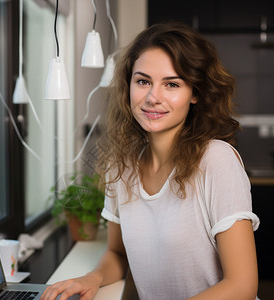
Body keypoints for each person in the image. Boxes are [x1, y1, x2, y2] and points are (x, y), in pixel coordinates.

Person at [41, 22, 260, 300]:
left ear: (195, 94)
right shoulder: (122, 167)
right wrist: (91, 278)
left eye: (172, 84)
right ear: (128, 86)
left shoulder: (216, 160)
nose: (152, 98)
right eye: (143, 81)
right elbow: (117, 253)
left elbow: (242, 285)